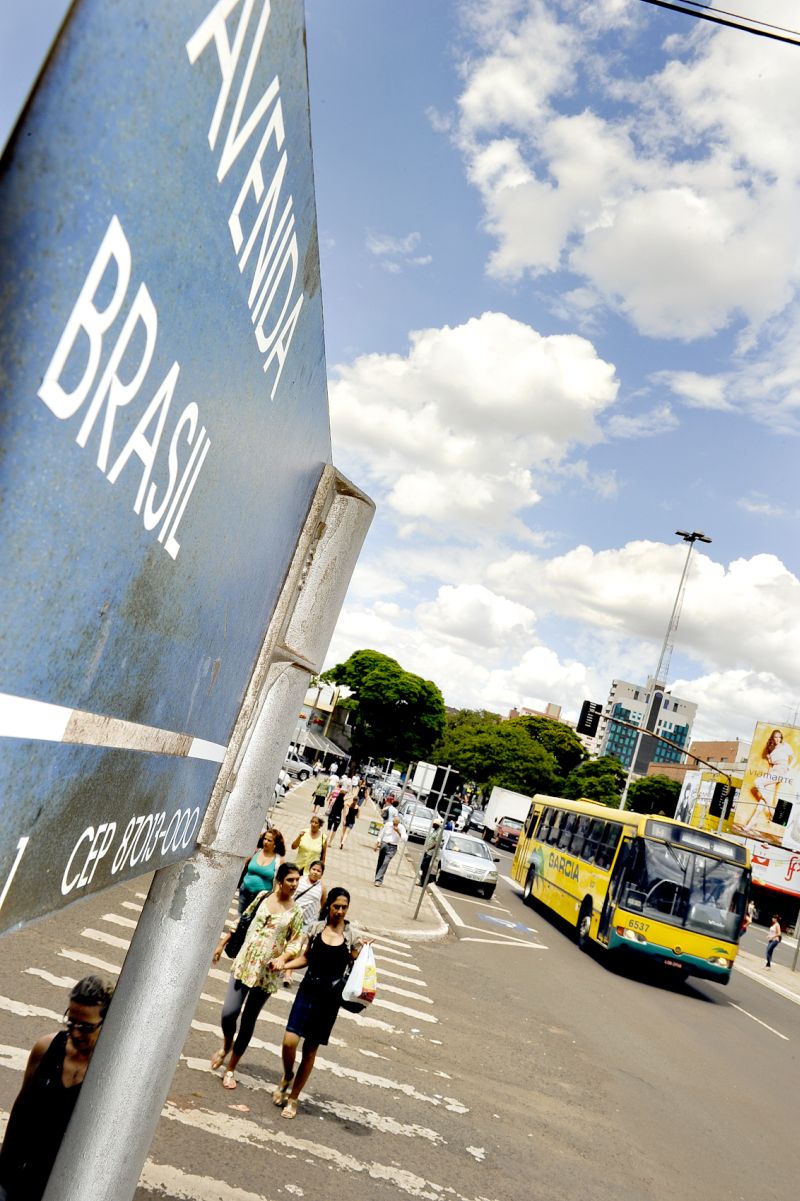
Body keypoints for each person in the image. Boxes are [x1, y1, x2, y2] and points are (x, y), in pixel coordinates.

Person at [0, 975, 113, 1201]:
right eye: (71, 1023)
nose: (76, 1033)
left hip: (59, 1186)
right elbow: (21, 1111)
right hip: (15, 1177)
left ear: (107, 1023)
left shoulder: (110, 1072)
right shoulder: (46, 1048)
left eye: (86, 1027)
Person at [272, 887, 367, 1119]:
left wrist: (364, 954)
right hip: (308, 991)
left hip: (329, 1000)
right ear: (329, 906)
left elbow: (357, 969)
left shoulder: (352, 936)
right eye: (336, 906)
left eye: (344, 907)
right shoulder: (316, 929)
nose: (340, 911)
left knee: (310, 1050)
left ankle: (293, 1098)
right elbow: (306, 958)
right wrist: (284, 965)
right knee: (289, 1041)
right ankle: (287, 1075)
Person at [211, 862, 304, 1089]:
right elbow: (242, 920)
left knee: (248, 1021)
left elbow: (296, 941)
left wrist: (283, 960)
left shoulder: (296, 912)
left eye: (296, 880)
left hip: (267, 973)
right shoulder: (263, 896)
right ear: (280, 881)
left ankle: (231, 1067)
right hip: (245, 963)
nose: (294, 884)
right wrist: (222, 944)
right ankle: (226, 1045)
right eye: (290, 880)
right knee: (228, 1013)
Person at [744, 729, 797, 832]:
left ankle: (771, 809)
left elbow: (793, 758)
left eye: (779, 737)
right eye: (776, 737)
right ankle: (751, 823)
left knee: (757, 782)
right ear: (772, 738)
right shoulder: (770, 751)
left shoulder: (785, 746)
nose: (778, 739)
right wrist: (768, 775)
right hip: (773, 772)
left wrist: (788, 768)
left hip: (781, 771)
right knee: (762, 800)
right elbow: (771, 766)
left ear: (781, 738)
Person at [238, 829, 285, 914]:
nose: (266, 842)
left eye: (269, 840)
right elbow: (243, 865)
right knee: (242, 917)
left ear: (275, 843)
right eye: (265, 839)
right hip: (245, 891)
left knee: (253, 920)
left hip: (262, 897)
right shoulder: (255, 852)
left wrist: (275, 898)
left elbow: (279, 882)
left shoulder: (279, 860)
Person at [374, 814, 407, 886]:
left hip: (393, 847)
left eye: (396, 823)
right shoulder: (388, 824)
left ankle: (378, 880)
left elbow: (404, 839)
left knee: (385, 862)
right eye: (394, 822)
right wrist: (377, 842)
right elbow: (381, 834)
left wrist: (398, 831)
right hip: (384, 844)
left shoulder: (401, 828)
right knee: (380, 861)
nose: (394, 824)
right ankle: (377, 876)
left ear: (399, 822)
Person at [294, 860, 327, 931]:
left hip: (307, 922)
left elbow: (324, 906)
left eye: (318, 871)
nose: (315, 872)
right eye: (314, 869)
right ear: (309, 870)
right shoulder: (300, 879)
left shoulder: (322, 887)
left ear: (321, 875)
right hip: (292, 915)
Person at [417, 818, 441, 885]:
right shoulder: (435, 830)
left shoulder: (439, 832)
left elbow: (436, 843)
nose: (432, 825)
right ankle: (423, 881)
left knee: (424, 866)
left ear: (436, 824)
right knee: (423, 866)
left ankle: (425, 881)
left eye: (433, 824)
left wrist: (429, 849)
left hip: (431, 852)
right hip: (428, 851)